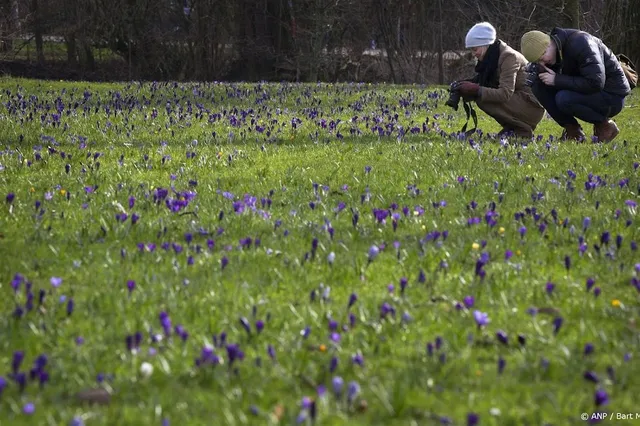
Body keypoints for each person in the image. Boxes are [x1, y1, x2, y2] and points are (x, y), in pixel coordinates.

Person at [520, 28, 631, 142]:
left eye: (542, 58)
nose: (542, 63)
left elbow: (595, 82)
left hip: (612, 96)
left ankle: (605, 126)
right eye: (537, 61)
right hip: (589, 92)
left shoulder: (581, 42)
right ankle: (573, 130)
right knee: (538, 85)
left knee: (563, 98)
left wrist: (557, 80)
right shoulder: (555, 51)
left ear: (548, 45)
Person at [453, 22, 545, 139]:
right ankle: (512, 128)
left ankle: (522, 129)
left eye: (475, 49)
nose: (473, 54)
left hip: (532, 107)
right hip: (520, 100)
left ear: (485, 44)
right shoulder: (490, 57)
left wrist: (476, 89)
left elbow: (505, 93)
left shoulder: (509, 57)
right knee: (482, 94)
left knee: (482, 97)